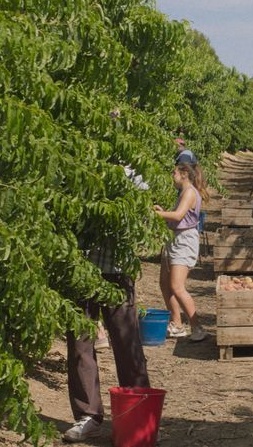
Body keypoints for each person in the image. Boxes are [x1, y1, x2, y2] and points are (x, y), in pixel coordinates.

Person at [63, 167, 151, 442]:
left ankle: (138, 412)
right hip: (81, 268)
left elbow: (140, 213)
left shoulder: (131, 171)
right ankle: (88, 415)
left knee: (127, 343)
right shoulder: (75, 161)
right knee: (80, 344)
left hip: (116, 269)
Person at [154, 164, 209, 342]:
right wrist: (163, 213)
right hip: (175, 238)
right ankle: (176, 324)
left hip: (184, 241)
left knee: (177, 287)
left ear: (184, 174)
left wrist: (157, 215)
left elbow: (178, 216)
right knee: (165, 284)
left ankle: (197, 327)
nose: (172, 176)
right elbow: (178, 216)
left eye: (174, 172)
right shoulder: (184, 192)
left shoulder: (190, 192)